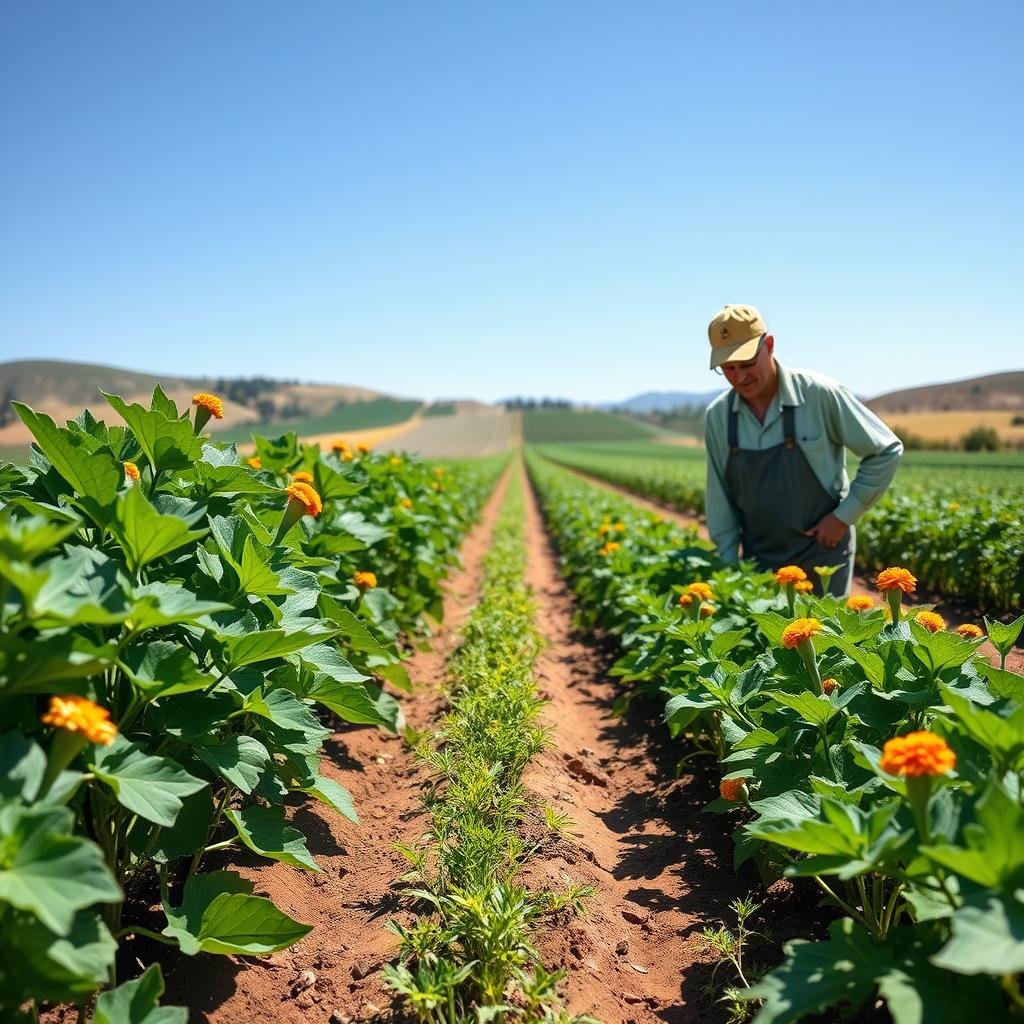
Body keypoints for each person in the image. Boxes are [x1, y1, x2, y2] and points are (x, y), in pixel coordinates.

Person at [703, 304, 903, 596]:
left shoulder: (820, 394)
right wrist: (729, 571)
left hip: (823, 555)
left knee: (824, 627)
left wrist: (842, 517)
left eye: (746, 364)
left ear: (769, 345)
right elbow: (719, 496)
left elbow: (885, 450)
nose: (739, 377)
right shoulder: (719, 416)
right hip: (760, 561)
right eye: (728, 369)